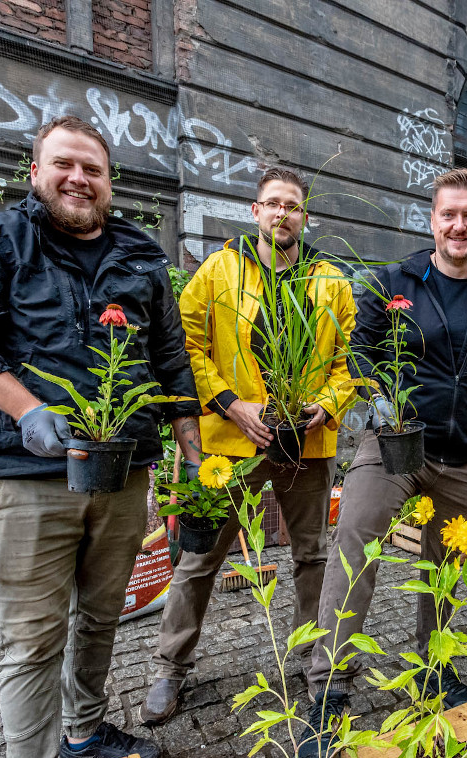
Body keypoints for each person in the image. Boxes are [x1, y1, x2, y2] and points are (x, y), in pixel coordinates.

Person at [0, 116, 203, 758]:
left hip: (124, 469)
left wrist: (193, 459)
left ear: (109, 182)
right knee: (31, 638)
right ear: (35, 172)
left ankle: (84, 733)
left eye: (92, 169)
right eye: (64, 165)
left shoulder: (140, 256)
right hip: (27, 473)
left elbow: (170, 358)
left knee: (102, 615)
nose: (78, 179)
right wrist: (26, 410)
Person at [296, 167, 467, 758]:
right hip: (396, 443)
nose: (459, 226)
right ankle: (329, 688)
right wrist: (381, 404)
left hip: (466, 455)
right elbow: (361, 351)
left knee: (447, 565)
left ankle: (433, 665)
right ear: (433, 221)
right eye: (449, 214)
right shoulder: (394, 280)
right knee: (354, 546)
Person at [139, 167, 356, 724]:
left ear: (305, 216)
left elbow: (350, 362)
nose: (283, 213)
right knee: (201, 555)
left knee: (311, 554)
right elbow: (184, 343)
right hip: (229, 442)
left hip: (306, 442)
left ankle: (312, 659)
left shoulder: (330, 280)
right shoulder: (219, 269)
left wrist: (324, 406)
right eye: (273, 203)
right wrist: (231, 403)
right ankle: (170, 666)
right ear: (255, 211)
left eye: (293, 205)